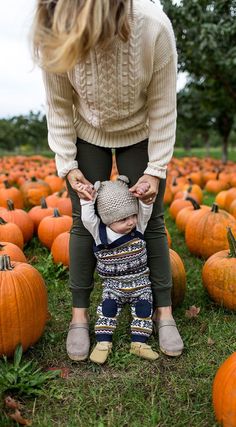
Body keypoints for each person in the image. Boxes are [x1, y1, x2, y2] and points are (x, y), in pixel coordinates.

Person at [31, 0, 184, 361]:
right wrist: (68, 165)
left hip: (139, 130)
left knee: (153, 219)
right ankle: (80, 317)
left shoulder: (153, 27)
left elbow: (163, 106)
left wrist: (154, 169)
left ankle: (163, 312)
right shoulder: (57, 31)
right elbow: (58, 105)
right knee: (82, 224)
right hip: (87, 131)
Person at [79, 176, 158, 364]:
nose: (130, 222)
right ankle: (103, 342)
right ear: (108, 219)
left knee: (144, 310)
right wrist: (86, 199)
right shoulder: (100, 234)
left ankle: (139, 343)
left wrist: (145, 198)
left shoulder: (137, 227)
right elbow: (87, 217)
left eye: (132, 215)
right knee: (107, 310)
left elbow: (145, 211)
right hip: (113, 286)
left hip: (140, 284)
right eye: (123, 219)